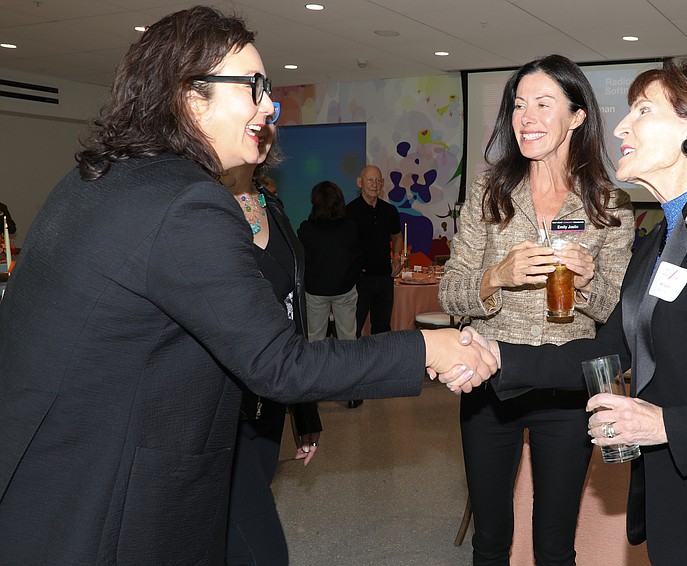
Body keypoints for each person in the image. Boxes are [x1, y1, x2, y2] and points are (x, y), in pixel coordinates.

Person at [0, 7, 494, 565]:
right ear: (191, 96)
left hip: (47, 482)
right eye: (254, 87)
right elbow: (279, 365)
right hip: (107, 503)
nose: (270, 106)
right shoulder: (186, 203)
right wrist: (428, 345)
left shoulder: (99, 180)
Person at [454, 57, 687, 566]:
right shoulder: (660, 240)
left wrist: (667, 427)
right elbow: (609, 348)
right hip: (679, 497)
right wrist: (499, 357)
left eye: (642, 111)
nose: (620, 126)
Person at [438, 54, 634, 566]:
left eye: (543, 104)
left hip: (566, 388)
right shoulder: (489, 190)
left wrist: (588, 284)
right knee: (490, 540)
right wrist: (496, 276)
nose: (526, 117)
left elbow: (612, 307)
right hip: (487, 380)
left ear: (577, 117)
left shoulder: (608, 205)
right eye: (519, 105)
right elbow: (451, 291)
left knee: (554, 543)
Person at [222, 121, 322, 564]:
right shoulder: (200, 206)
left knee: (243, 516)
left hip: (269, 396)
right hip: (218, 397)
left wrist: (305, 410)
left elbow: (293, 309)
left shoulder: (272, 204)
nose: (261, 130)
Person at [345, 164, 403, 408]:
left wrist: (397, 257)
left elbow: (397, 236)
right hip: (359, 280)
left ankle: (381, 377)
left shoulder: (390, 210)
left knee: (382, 328)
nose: (374, 184)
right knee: (355, 330)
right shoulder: (349, 211)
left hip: (384, 279)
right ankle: (356, 381)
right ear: (360, 182)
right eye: (370, 180)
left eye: (378, 181)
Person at [298, 180, 361, 343]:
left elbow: (301, 259)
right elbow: (357, 257)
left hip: (315, 290)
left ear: (315, 203)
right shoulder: (350, 227)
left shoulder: (306, 229)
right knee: (348, 337)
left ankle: (316, 369)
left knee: (315, 338)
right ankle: (350, 368)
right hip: (345, 287)